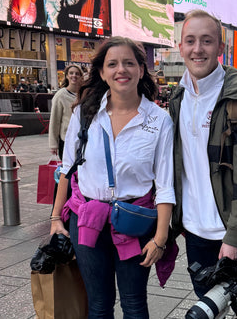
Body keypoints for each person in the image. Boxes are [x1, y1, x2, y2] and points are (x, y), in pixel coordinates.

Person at [50, 37, 175, 318]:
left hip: (134, 221)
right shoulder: (85, 114)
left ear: (141, 70)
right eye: (113, 64)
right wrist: (56, 218)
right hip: (87, 220)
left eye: (129, 63)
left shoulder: (158, 120)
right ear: (103, 73)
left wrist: (160, 238)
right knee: (98, 304)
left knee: (133, 303)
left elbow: (166, 184)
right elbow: (67, 169)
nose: (122, 70)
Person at [168, 9, 237, 297]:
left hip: (232, 232)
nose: (198, 49)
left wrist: (235, 237)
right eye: (190, 41)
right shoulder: (179, 97)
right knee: (205, 307)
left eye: (207, 41)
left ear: (221, 48)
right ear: (181, 46)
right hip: (195, 232)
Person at [48, 65, 84, 160]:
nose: (74, 76)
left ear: (81, 76)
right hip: (67, 140)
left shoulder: (85, 94)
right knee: (68, 172)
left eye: (77, 73)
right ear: (67, 76)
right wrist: (53, 144)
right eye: (71, 73)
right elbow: (55, 120)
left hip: (83, 139)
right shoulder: (60, 95)